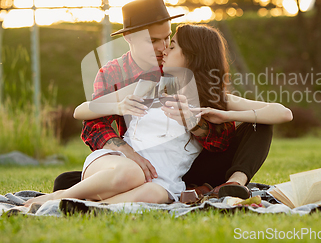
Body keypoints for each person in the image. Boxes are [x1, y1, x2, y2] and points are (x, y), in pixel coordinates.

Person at [24, 24, 292, 206]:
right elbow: (83, 110)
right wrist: (120, 106)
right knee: (132, 174)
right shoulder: (149, 85)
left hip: (163, 179)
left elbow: (283, 113)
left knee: (155, 193)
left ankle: (96, 207)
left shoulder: (212, 101)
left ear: (191, 56)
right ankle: (58, 198)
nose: (165, 50)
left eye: (172, 45)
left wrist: (211, 118)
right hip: (121, 163)